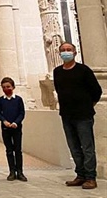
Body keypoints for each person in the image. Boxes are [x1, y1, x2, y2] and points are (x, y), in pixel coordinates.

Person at [53, 42, 102, 190]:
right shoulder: (57, 71)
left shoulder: (83, 70)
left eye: (68, 50)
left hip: (83, 115)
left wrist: (87, 105)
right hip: (67, 115)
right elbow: (59, 90)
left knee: (87, 147)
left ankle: (90, 177)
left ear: (75, 53)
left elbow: (96, 91)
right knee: (74, 147)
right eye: (63, 50)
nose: (66, 52)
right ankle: (80, 175)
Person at [0, 77, 27, 182]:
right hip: (5, 128)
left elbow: (22, 113)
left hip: (16, 128)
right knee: (9, 150)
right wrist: (4, 121)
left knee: (18, 150)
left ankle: (20, 172)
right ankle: (12, 172)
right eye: (4, 87)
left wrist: (15, 123)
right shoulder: (1, 100)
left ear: (13, 87)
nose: (6, 89)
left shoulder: (18, 99)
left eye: (8, 86)